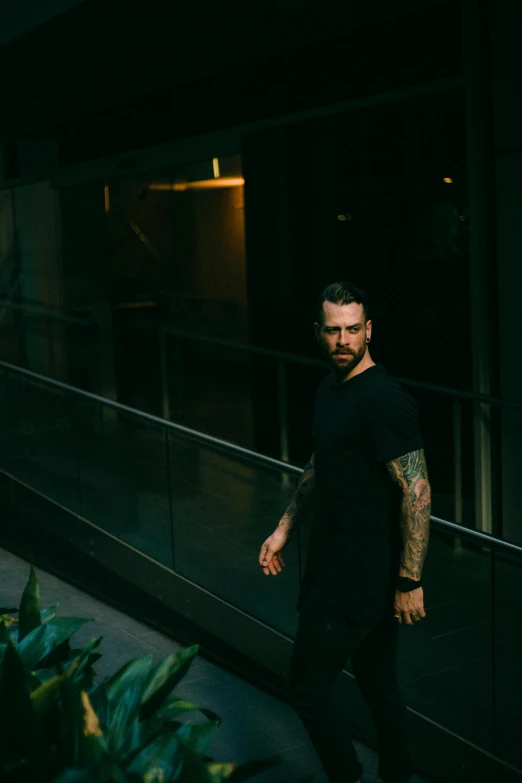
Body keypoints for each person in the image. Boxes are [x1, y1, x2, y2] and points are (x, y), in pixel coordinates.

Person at [258, 282, 431, 783]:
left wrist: (408, 580)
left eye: (353, 330)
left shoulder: (384, 399)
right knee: (380, 688)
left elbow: (417, 492)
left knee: (307, 687)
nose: (343, 340)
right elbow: (321, 463)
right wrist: (284, 527)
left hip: (357, 580)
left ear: (369, 330)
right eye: (333, 330)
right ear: (318, 332)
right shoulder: (329, 388)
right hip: (334, 564)